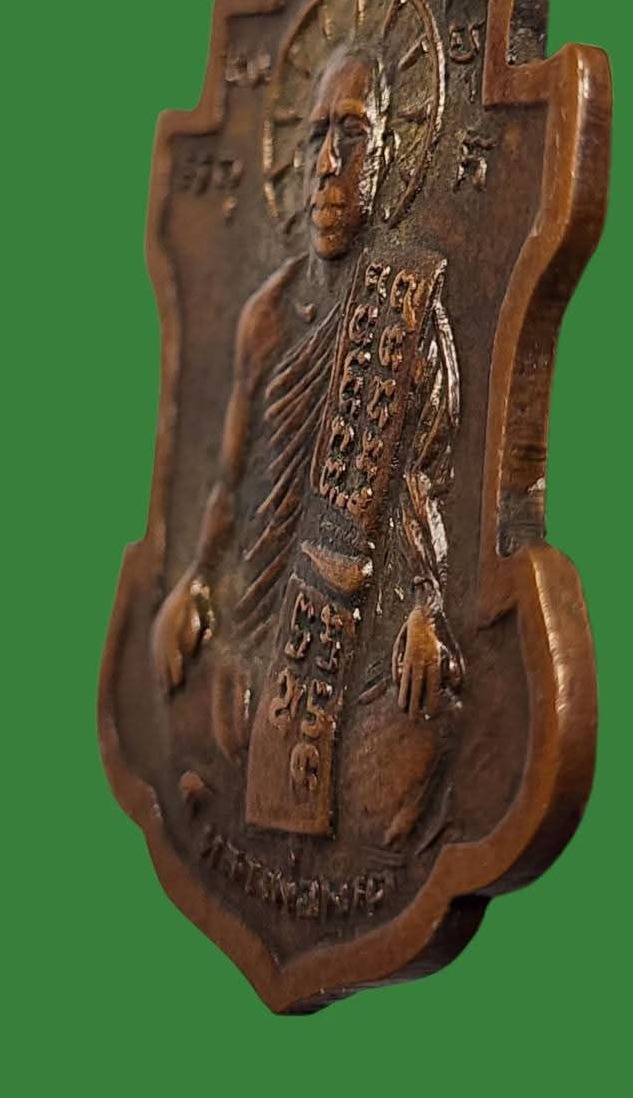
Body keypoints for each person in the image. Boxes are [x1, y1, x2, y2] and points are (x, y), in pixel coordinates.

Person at [151, 42, 461, 847]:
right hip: (253, 621)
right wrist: (196, 580)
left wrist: (425, 605)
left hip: (347, 613)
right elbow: (229, 475)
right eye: (316, 136)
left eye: (353, 136)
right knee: (195, 723)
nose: (328, 165)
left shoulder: (401, 304)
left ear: (389, 158)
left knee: (426, 724)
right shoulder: (266, 312)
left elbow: (426, 470)